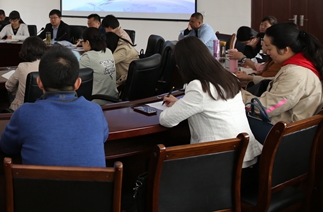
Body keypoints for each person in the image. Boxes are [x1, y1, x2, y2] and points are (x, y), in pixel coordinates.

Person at [160, 36, 262, 168]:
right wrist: (181, 103)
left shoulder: (198, 87)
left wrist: (179, 105)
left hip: (220, 160)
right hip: (245, 153)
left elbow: (166, 120)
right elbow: (211, 104)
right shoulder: (229, 77)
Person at [0, 45, 109, 167]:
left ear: (39, 82)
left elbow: (7, 147)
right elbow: (103, 138)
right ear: (78, 83)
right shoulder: (95, 111)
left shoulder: (24, 113)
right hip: (92, 181)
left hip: (37, 181)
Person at [241, 23, 323, 124]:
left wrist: (238, 94)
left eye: (269, 48)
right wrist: (251, 79)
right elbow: (280, 82)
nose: (267, 52)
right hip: (282, 124)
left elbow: (266, 109)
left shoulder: (296, 73)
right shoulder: (300, 66)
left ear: (285, 50)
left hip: (279, 129)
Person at [5, 37, 48, 111]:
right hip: (43, 108)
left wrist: (17, 92)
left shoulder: (22, 66)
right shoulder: (49, 66)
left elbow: (9, 86)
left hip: (21, 108)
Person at [79, 27, 118, 105]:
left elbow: (74, 76)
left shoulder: (88, 57)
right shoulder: (108, 51)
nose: (82, 44)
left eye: (82, 41)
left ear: (87, 42)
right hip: (113, 98)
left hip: (97, 100)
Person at [101, 15, 138, 86]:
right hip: (120, 72)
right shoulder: (117, 35)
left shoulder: (122, 44)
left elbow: (107, 63)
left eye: (105, 28)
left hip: (123, 80)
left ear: (109, 27)